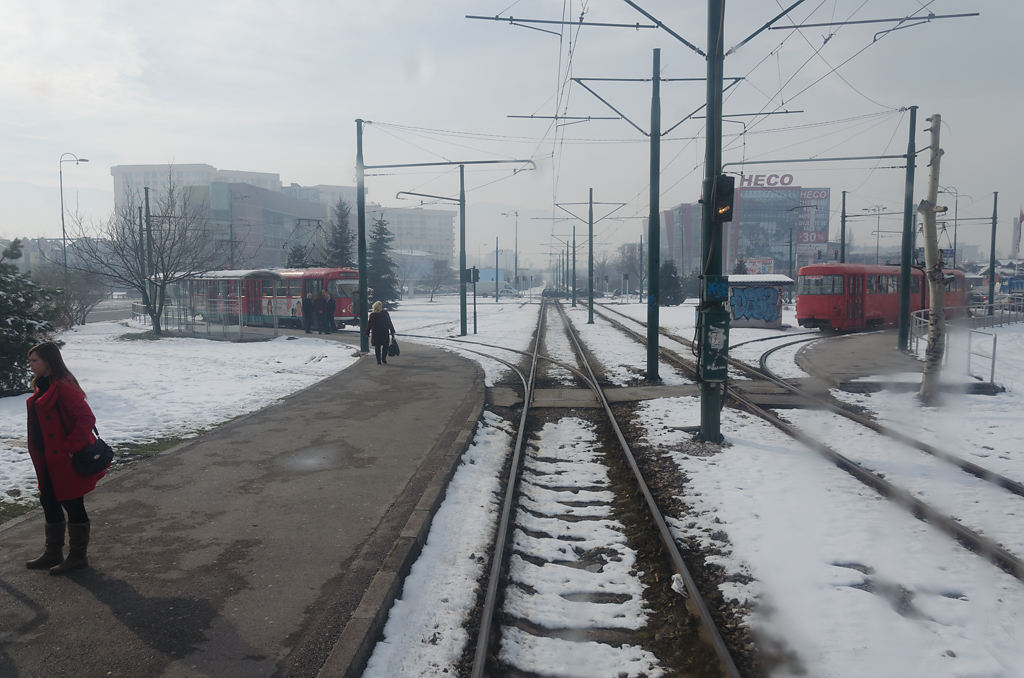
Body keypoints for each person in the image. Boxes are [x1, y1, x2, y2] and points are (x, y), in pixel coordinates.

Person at [24, 342, 104, 575]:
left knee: (72, 503)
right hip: (46, 458)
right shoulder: (43, 385)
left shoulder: (63, 386)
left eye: (34, 361)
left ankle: (78, 557)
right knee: (48, 501)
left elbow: (86, 418)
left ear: (48, 361)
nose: (30, 365)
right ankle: (53, 552)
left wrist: (69, 448)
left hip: (63, 459)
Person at [365, 300, 396, 365]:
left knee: (377, 348)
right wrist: (392, 331)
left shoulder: (372, 315)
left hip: (376, 334)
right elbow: (389, 323)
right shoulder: (385, 313)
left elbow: (369, 325)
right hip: (384, 333)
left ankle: (378, 361)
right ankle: (383, 358)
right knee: (385, 347)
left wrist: (367, 333)